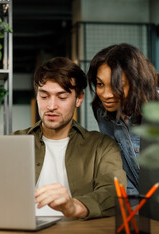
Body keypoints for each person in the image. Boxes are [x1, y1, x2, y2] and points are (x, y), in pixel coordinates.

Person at [13, 57, 127, 219]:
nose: (51, 106)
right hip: (21, 229)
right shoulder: (14, 142)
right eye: (44, 96)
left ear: (79, 99)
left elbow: (114, 191)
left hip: (77, 231)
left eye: (62, 97)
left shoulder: (101, 146)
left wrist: (75, 206)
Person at [87, 43, 159, 196]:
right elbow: (118, 164)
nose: (106, 94)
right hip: (144, 203)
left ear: (136, 82)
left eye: (116, 86)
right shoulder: (103, 111)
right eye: (100, 84)